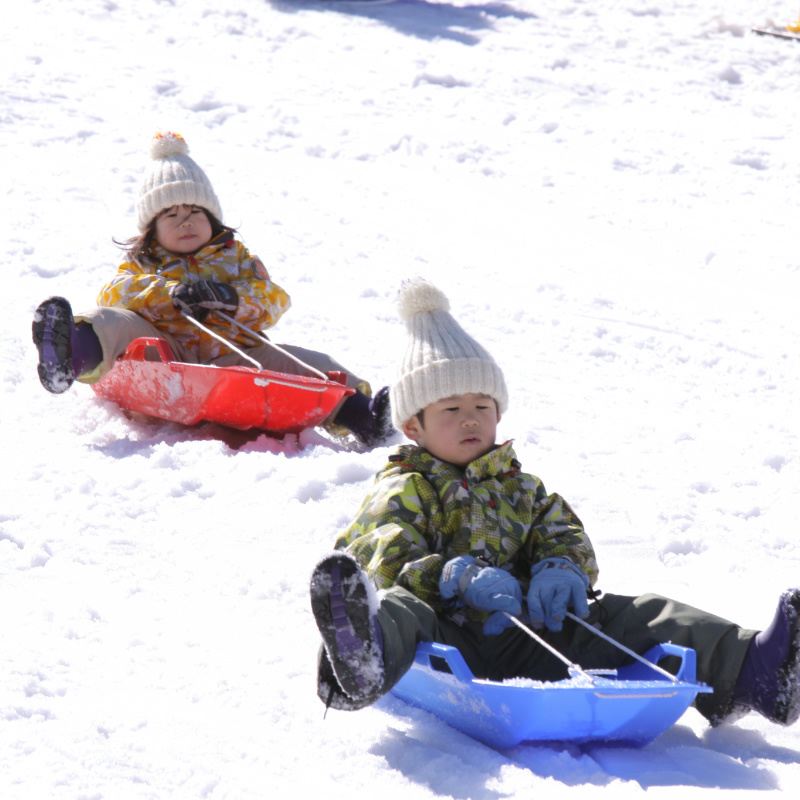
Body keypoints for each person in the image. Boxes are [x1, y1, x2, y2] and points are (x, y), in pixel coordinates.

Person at [309, 277, 800, 729]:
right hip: (446, 642)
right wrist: (454, 577)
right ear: (413, 426)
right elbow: (382, 554)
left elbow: (563, 532)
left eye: (483, 407)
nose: (470, 420)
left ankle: (753, 672)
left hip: (532, 636)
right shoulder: (407, 485)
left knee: (642, 613)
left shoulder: (521, 487)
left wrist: (562, 569)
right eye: (452, 410)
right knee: (402, 609)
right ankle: (362, 659)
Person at [31, 131, 392, 446]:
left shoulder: (236, 258)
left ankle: (364, 417)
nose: (185, 221)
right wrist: (166, 293)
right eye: (171, 215)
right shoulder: (143, 263)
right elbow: (114, 292)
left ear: (213, 219)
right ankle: (68, 354)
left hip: (235, 356)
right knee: (109, 320)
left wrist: (231, 299)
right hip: (162, 354)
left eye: (195, 212)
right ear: (151, 230)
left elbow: (275, 299)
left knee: (312, 364)